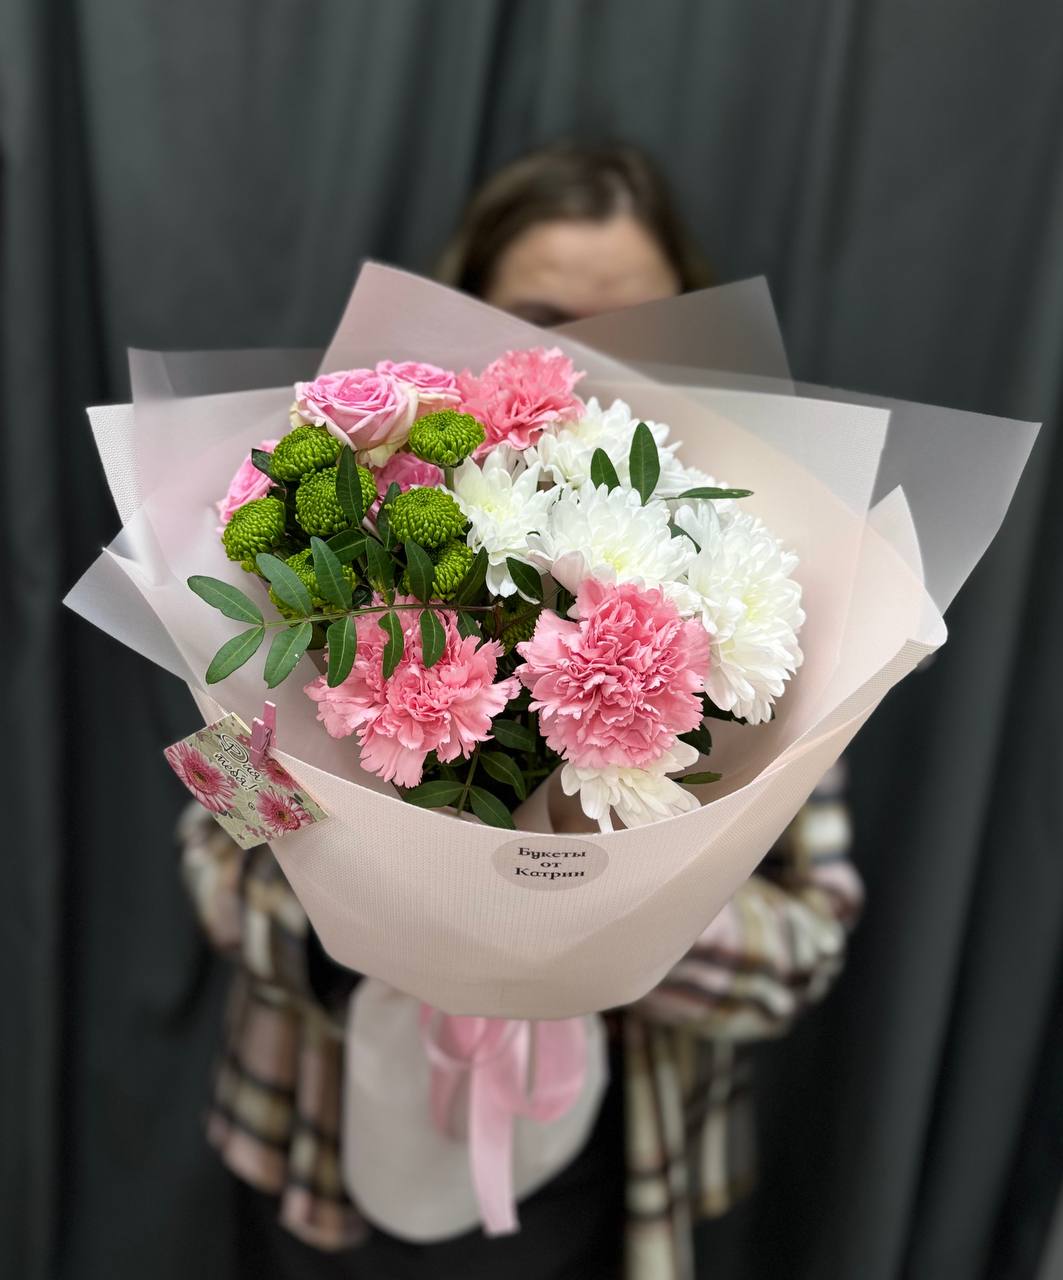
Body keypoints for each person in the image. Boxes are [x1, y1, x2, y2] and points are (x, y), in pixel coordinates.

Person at [180, 142, 863, 1280]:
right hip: (322, 1150)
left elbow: (808, 943)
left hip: (614, 1187)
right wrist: (381, 902)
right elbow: (214, 848)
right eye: (544, 321)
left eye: (637, 332)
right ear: (467, 319)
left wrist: (598, 918)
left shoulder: (758, 570)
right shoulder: (337, 542)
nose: (584, 364)